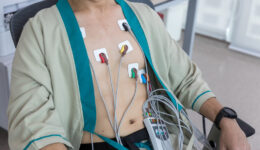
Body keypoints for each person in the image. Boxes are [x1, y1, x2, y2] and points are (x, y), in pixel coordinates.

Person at [7, 0, 250, 149]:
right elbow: (32, 118)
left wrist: (226, 119)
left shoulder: (143, 17)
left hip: (160, 137)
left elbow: (186, 77)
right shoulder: (40, 30)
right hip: (95, 144)